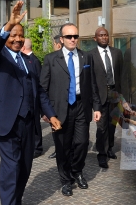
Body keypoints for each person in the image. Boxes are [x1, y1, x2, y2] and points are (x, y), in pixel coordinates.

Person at [0, 1, 61, 205]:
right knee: (11, 167)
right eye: (13, 35)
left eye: (20, 35)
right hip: (5, 121)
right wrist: (9, 24)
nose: (17, 38)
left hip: (28, 122)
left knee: (25, 166)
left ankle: (15, 202)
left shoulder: (29, 61)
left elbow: (40, 92)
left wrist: (52, 114)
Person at [41, 23, 98, 196]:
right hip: (60, 109)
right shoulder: (51, 59)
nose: (73, 39)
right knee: (62, 146)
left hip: (81, 105)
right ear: (61, 39)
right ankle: (65, 180)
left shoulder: (86, 57)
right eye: (69, 37)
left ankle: (77, 171)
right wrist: (46, 112)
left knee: (82, 143)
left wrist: (96, 107)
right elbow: (42, 88)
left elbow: (92, 83)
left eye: (75, 36)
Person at [89, 27, 123, 169]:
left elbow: (122, 74)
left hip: (115, 94)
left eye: (106, 35)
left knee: (112, 124)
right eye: (101, 35)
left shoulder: (117, 53)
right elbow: (90, 78)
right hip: (100, 95)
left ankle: (109, 148)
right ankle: (102, 154)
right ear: (95, 38)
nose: (104, 37)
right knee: (101, 127)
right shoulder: (90, 55)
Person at [21, 39, 44, 158]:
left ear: (23, 47)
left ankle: (37, 147)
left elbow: (39, 82)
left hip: (35, 99)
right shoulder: (27, 60)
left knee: (36, 124)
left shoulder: (34, 61)